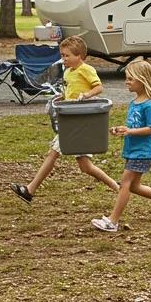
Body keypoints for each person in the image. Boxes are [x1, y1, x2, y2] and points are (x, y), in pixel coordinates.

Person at [10, 35, 119, 205]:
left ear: (80, 56)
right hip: (71, 119)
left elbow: (98, 87)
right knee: (85, 166)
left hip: (78, 122)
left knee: (52, 154)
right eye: (62, 55)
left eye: (67, 55)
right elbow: (71, 90)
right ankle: (118, 188)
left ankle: (29, 190)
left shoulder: (86, 69)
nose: (63, 59)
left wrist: (86, 95)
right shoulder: (68, 72)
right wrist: (62, 97)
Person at [91, 60, 151, 231]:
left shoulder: (149, 105)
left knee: (125, 184)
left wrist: (129, 131)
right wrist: (121, 130)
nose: (126, 82)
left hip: (142, 152)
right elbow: (133, 126)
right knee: (134, 186)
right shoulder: (134, 103)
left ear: (142, 80)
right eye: (126, 79)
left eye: (130, 79)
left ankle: (112, 221)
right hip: (132, 150)